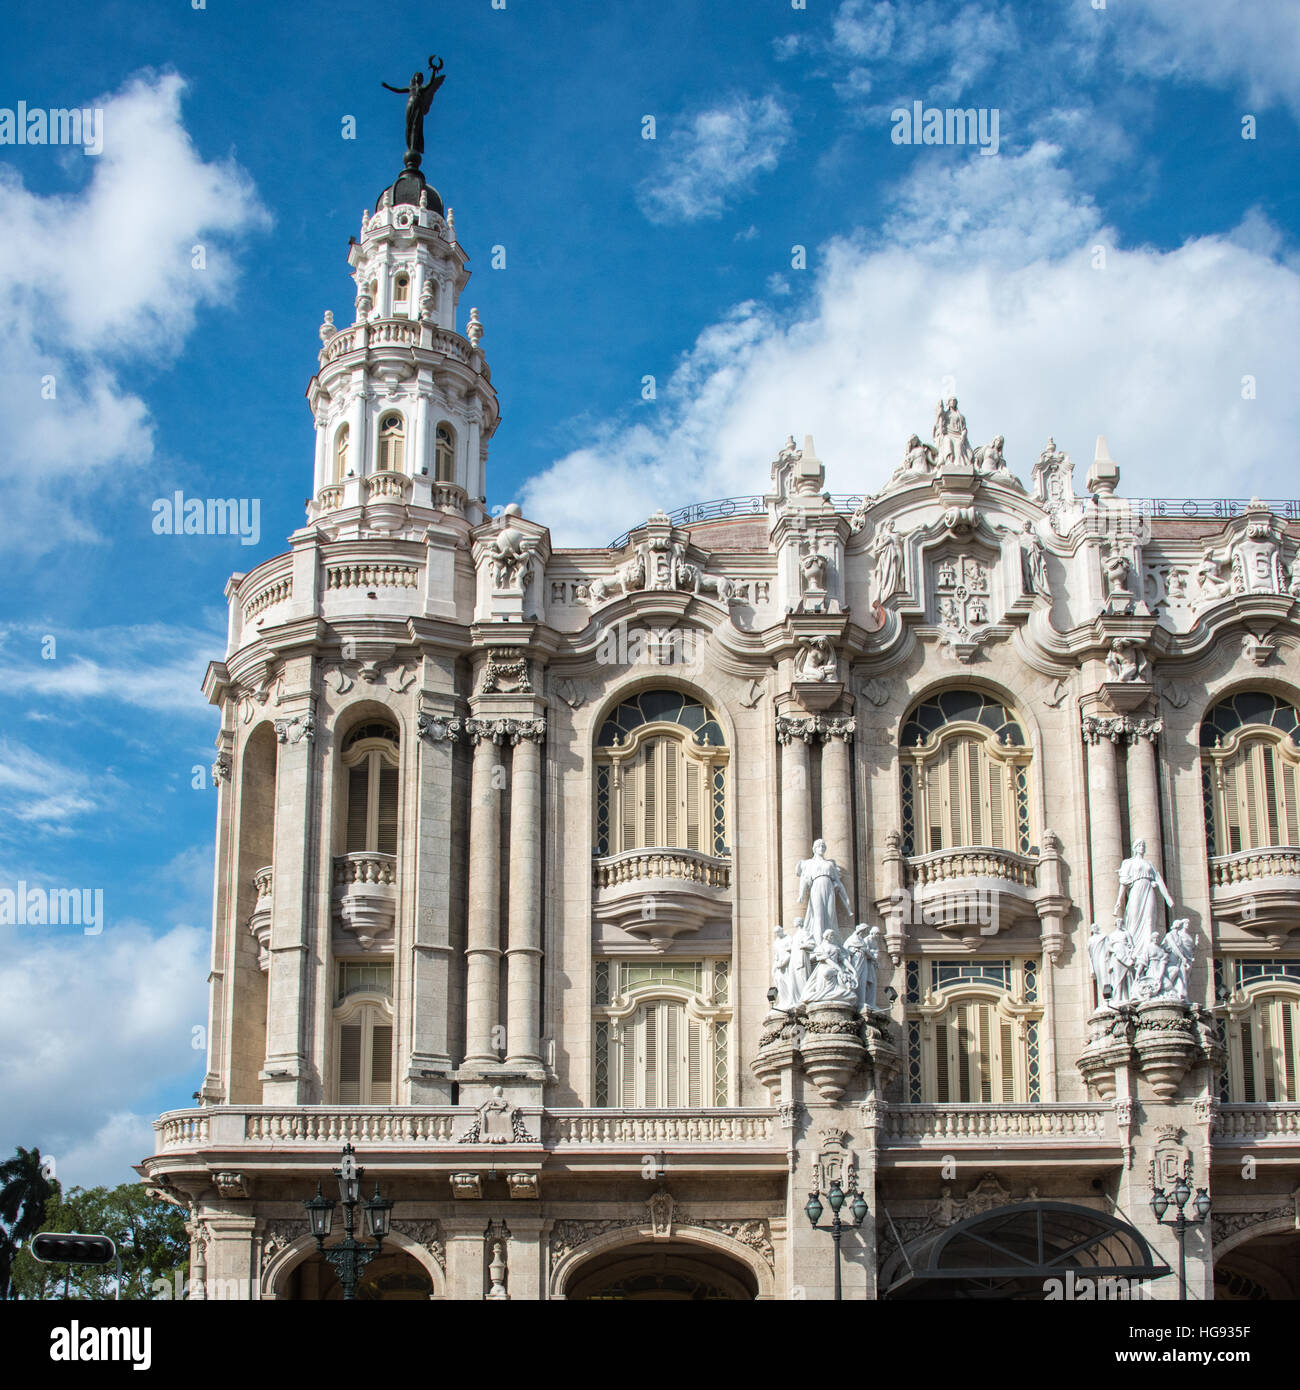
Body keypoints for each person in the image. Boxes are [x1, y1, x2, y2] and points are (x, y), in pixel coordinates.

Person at [1113, 840, 1174, 961]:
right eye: (1139, 845)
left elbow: (1159, 880)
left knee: (1149, 918)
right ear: (1134, 848)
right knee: (1134, 918)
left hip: (1148, 892)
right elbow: (1123, 884)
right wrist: (1119, 901)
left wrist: (1168, 898)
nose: (1142, 847)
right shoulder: (1128, 863)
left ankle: (1147, 949)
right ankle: (1134, 951)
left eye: (1143, 846)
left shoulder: (1149, 864)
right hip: (1136, 891)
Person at [796, 840, 852, 943]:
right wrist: (801, 894)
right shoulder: (809, 863)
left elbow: (838, 883)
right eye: (818, 846)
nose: (821, 848)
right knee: (818, 916)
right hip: (816, 887)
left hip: (829, 888)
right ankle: (819, 943)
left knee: (830, 915)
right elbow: (804, 879)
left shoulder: (829, 864)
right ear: (814, 849)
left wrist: (846, 899)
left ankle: (830, 941)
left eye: (823, 846)